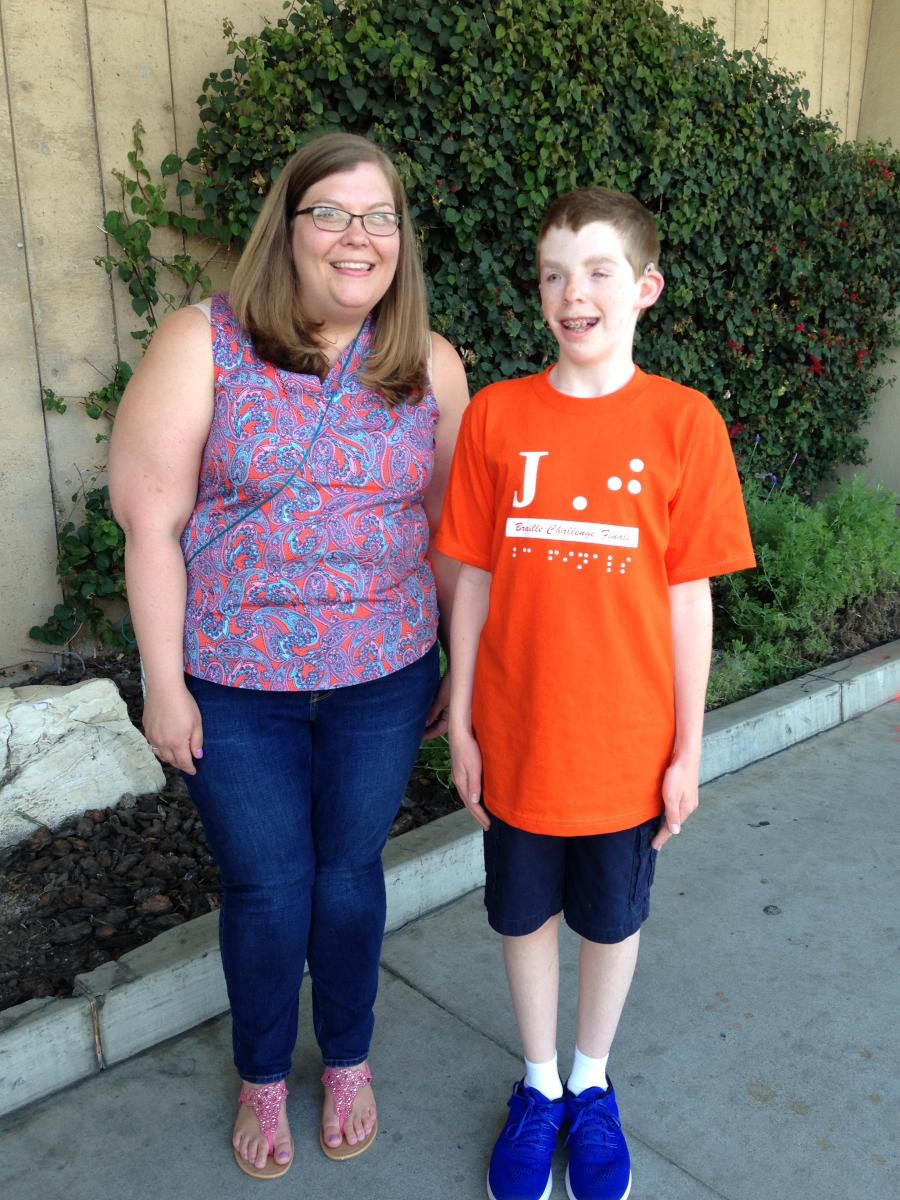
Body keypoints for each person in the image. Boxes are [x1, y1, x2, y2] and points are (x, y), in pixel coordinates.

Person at [109, 131, 468, 1180]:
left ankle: (346, 1057)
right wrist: (164, 683)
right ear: (289, 226)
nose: (358, 237)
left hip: (382, 677)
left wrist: (460, 662)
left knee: (351, 880)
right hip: (235, 685)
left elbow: (451, 531)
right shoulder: (202, 342)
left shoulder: (429, 365)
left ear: (400, 239)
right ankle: (265, 1073)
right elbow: (152, 524)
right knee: (270, 888)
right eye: (333, 214)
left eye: (380, 217)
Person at [435, 187, 756, 1200]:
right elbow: (475, 580)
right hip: (518, 737)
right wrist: (464, 723)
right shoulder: (496, 417)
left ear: (645, 287)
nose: (574, 294)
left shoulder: (684, 423)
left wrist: (688, 751)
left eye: (599, 270)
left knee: (610, 923)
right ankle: (537, 1086)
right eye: (554, 275)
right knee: (522, 917)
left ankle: (590, 1081)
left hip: (624, 745)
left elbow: (688, 601)